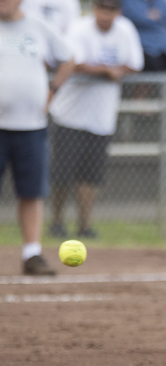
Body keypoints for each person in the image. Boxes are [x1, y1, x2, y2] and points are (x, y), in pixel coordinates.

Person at [48, 0, 144, 239]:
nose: (105, 14)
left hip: (102, 117)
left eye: (111, 9)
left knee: (90, 176)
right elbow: (72, 63)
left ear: (118, 12)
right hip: (70, 115)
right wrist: (105, 70)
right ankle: (57, 222)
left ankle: (85, 225)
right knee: (63, 174)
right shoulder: (79, 29)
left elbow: (135, 64)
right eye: (102, 8)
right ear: (94, 9)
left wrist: (116, 70)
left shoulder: (126, 30)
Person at [0, 0, 74, 275]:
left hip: (31, 125)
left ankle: (32, 254)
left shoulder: (38, 26)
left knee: (31, 192)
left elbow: (68, 59)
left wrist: (51, 92)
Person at [120, 0, 166, 73]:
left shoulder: (160, 2)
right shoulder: (129, 2)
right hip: (146, 48)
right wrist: (154, 19)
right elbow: (134, 17)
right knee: (154, 67)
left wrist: (152, 17)